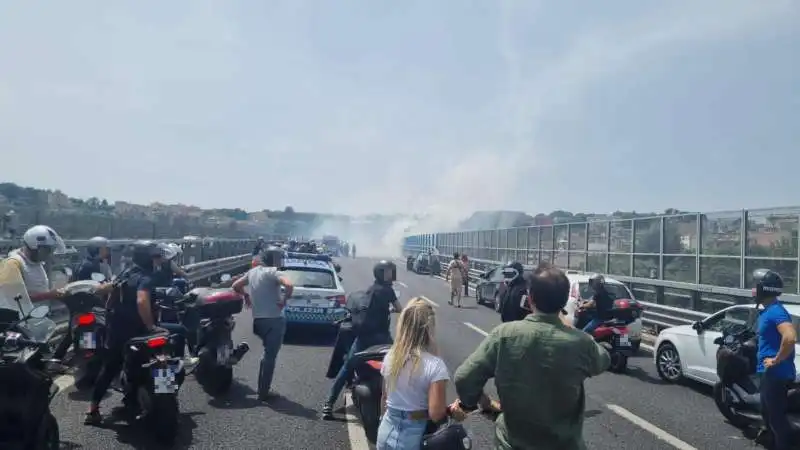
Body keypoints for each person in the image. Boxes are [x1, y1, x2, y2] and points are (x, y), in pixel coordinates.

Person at [450, 263, 610, 449]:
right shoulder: (581, 343)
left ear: (531, 298)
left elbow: (464, 377)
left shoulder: (504, 334)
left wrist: (480, 401)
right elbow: (603, 360)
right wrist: (569, 327)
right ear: (565, 300)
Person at [85, 240, 177, 424]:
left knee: (110, 368)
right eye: (155, 257)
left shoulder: (127, 272)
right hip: (140, 330)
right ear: (147, 259)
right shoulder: (147, 278)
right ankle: (170, 404)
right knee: (163, 359)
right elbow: (142, 301)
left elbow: (107, 290)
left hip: (118, 328)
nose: (158, 260)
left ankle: (93, 409)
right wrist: (151, 326)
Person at [322, 260, 403, 419]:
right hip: (382, 337)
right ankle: (401, 406)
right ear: (381, 273)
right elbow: (400, 309)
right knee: (397, 367)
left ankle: (328, 404)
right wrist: (392, 310)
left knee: (347, 367)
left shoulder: (371, 289)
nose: (391, 274)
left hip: (363, 338)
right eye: (388, 271)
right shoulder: (388, 290)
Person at [376, 297, 449, 449]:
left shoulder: (391, 357)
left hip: (386, 429)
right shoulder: (435, 365)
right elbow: (436, 414)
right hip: (414, 437)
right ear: (429, 328)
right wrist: (451, 411)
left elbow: (385, 398)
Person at [232, 246, 293, 400]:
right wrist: (284, 300)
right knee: (270, 356)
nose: (280, 261)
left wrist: (246, 295)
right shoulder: (273, 272)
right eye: (278, 258)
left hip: (258, 320)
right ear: (272, 258)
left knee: (266, 354)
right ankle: (264, 392)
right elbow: (289, 285)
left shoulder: (253, 272)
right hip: (274, 319)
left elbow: (235, 286)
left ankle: (262, 388)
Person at [752, 269, 796, 450]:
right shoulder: (769, 310)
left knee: (776, 418)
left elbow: (790, 337)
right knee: (767, 413)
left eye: (756, 287)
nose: (753, 291)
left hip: (776, 374)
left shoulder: (776, 312)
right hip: (770, 374)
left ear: (764, 289)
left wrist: (776, 360)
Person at [5, 225, 68, 301]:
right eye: (46, 250)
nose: (49, 254)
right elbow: (15, 298)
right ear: (33, 246)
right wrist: (49, 295)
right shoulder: (13, 264)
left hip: (39, 310)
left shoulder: (36, 262)